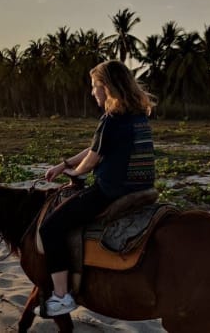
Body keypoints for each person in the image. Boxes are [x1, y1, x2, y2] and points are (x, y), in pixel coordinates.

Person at [33, 60, 156, 317]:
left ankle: (61, 296)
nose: (92, 92)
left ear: (107, 87)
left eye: (94, 86)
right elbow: (95, 148)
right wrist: (64, 165)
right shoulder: (137, 115)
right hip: (141, 187)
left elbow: (94, 158)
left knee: (50, 228)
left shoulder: (112, 119)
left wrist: (75, 173)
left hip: (112, 191)